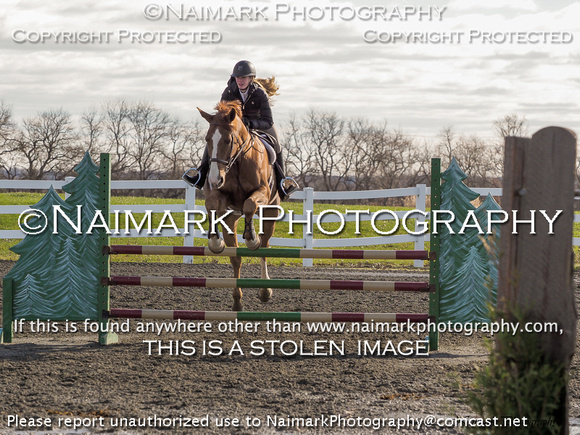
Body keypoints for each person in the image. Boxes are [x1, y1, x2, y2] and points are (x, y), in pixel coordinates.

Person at [183, 60, 297, 200]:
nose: (240, 81)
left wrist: (250, 122)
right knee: (215, 140)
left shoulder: (260, 93)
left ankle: (281, 183)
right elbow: (222, 114)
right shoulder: (229, 91)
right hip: (234, 126)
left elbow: (268, 121)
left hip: (259, 123)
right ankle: (200, 176)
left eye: (243, 77)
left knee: (277, 145)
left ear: (250, 78)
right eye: (237, 77)